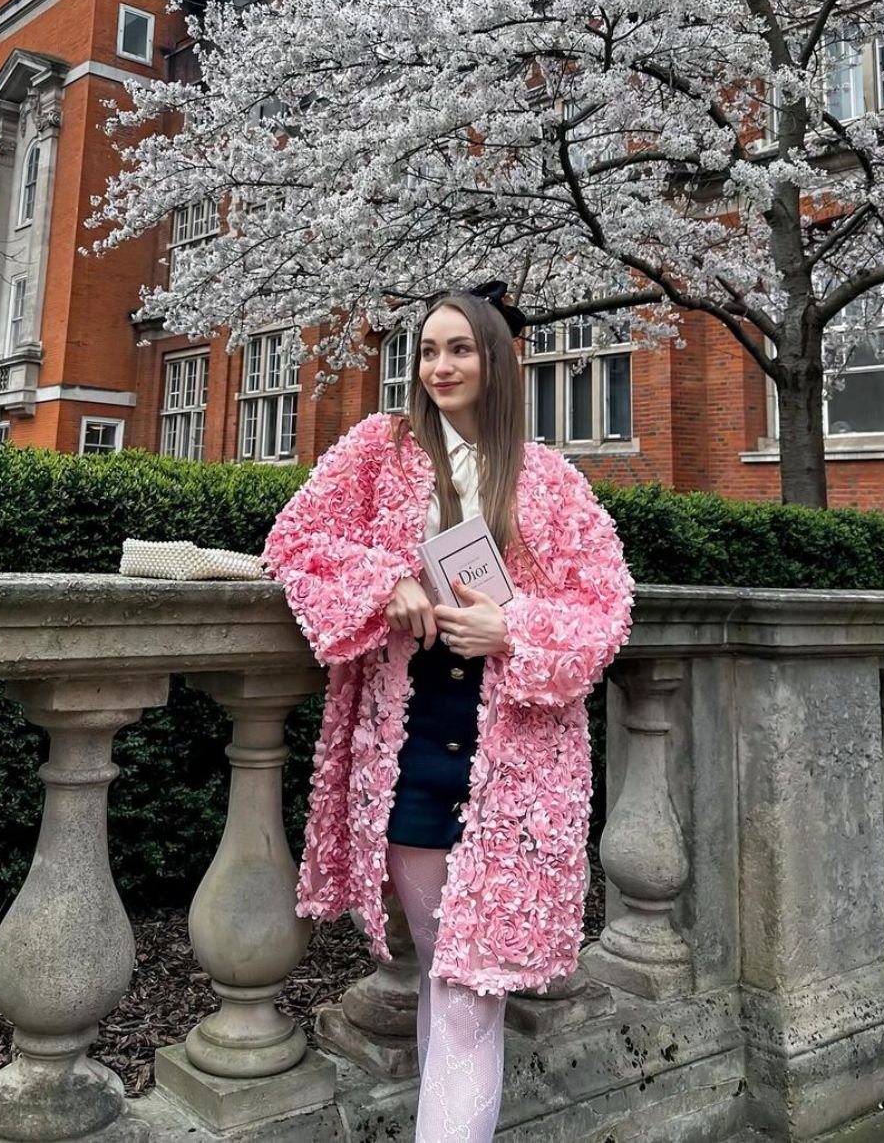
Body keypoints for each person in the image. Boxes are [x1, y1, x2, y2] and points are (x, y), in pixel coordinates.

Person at [263, 282, 634, 1143]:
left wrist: (511, 627)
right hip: (414, 754)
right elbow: (295, 540)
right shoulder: (376, 450)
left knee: (469, 989)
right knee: (448, 975)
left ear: (495, 360)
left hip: (518, 771)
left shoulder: (550, 480)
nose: (439, 366)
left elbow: (604, 609)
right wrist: (380, 579)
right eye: (427, 350)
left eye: (459, 348)